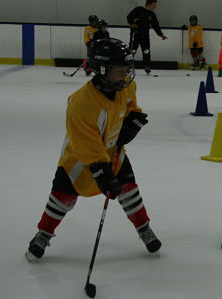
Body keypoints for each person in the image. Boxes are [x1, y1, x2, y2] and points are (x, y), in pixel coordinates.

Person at [26, 38, 161, 262]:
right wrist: (101, 170)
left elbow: (129, 106)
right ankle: (44, 233)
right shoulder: (82, 104)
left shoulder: (126, 86)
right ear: (103, 70)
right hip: (80, 157)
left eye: (127, 68)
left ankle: (144, 228)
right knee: (62, 196)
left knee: (129, 189)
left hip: (112, 151)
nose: (126, 74)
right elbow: (86, 145)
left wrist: (132, 120)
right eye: (121, 69)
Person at [127, 0, 168, 75]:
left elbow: (156, 25)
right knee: (132, 51)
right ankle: (127, 66)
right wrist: (132, 24)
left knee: (146, 51)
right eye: (154, 5)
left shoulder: (152, 14)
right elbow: (129, 17)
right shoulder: (138, 9)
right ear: (149, 4)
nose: (155, 7)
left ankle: (147, 66)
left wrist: (161, 34)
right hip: (135, 34)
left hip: (145, 36)